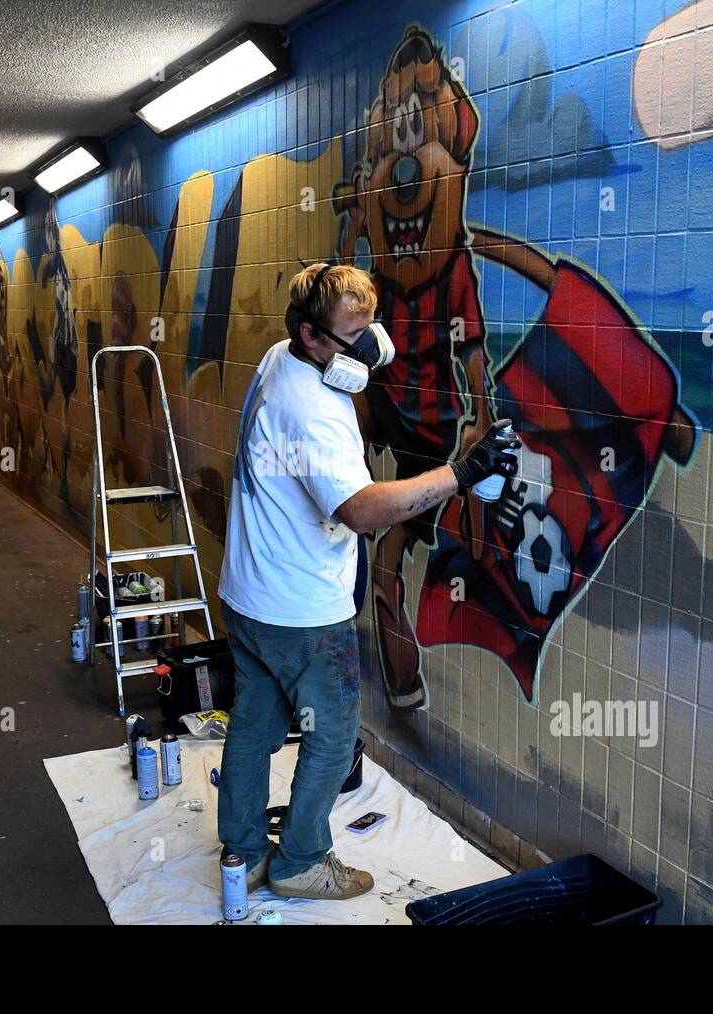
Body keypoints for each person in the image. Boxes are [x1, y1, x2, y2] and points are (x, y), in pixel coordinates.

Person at [216, 262, 520, 901]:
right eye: (354, 333)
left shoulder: (281, 359)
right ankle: (300, 861)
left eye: (370, 324)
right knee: (334, 731)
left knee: (253, 722)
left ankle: (242, 853)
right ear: (312, 338)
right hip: (299, 607)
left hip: (249, 591)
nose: (372, 345)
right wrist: (459, 475)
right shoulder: (312, 408)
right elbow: (361, 509)